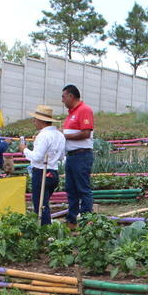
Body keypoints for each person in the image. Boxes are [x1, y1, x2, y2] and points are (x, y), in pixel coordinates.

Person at [19, 105, 66, 225]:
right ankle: (46, 229)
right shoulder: (59, 135)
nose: (34, 121)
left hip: (42, 173)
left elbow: (37, 157)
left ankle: (45, 231)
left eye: (35, 119)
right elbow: (61, 157)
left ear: (41, 121)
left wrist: (24, 149)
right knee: (44, 203)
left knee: (40, 205)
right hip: (54, 173)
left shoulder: (43, 136)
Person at [61, 84, 95, 227]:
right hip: (72, 156)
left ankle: (86, 220)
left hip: (81, 155)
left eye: (63, 97)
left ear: (71, 96)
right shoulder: (71, 113)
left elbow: (86, 132)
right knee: (71, 189)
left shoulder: (84, 110)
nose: (62, 100)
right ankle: (72, 219)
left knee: (83, 189)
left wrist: (65, 136)